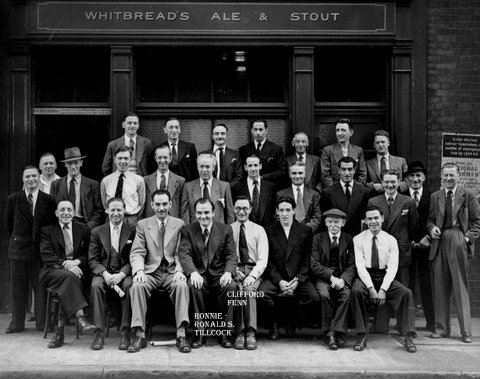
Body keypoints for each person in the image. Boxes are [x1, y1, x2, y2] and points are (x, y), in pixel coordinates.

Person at [129, 190, 190, 353]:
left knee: (182, 285)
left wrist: (179, 270)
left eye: (164, 204)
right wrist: (139, 271)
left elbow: (181, 251)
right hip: (150, 272)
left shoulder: (179, 224)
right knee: (137, 286)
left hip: (171, 271)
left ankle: (181, 334)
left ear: (170, 204)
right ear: (152, 205)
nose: (161, 208)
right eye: (158, 204)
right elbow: (137, 252)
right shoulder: (143, 224)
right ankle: (139, 334)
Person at [350, 206, 417, 353]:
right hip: (365, 276)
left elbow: (393, 267)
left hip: (384, 275)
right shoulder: (358, 239)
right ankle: (361, 335)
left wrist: (383, 289)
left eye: (376, 218)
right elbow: (360, 266)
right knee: (356, 291)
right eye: (370, 219)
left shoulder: (390, 240)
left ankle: (408, 336)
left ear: (382, 219)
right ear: (365, 221)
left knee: (406, 293)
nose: (373, 221)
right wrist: (371, 288)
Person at [428, 162, 480, 343]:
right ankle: (442, 329)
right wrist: (432, 228)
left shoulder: (468, 195)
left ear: (458, 176)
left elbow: (477, 222)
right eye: (445, 176)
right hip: (440, 241)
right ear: (441, 177)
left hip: (458, 239)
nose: (448, 179)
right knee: (440, 285)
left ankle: (466, 331)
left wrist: (466, 239)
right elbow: (430, 220)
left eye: (452, 175)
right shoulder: (436, 196)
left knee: (460, 286)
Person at [178, 198, 238, 349]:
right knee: (193, 285)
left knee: (231, 287)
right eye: (199, 213)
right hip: (200, 274)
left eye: (206, 212)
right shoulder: (188, 230)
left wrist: (228, 273)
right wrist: (192, 272)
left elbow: (231, 255)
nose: (203, 216)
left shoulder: (225, 229)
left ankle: (225, 332)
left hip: (219, 274)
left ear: (213, 213)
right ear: (195, 214)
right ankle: (199, 332)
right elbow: (184, 254)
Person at [258, 196, 319, 340]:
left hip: (297, 277)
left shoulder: (305, 230)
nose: (284, 214)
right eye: (281, 210)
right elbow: (268, 260)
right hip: (277, 277)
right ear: (277, 212)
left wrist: (298, 280)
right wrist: (279, 281)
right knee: (261, 295)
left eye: (288, 210)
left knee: (314, 298)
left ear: (294, 211)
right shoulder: (269, 230)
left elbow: (306, 260)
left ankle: (293, 320)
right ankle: (274, 324)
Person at [5, 165, 56, 333]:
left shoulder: (48, 200)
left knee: (40, 288)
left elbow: (50, 226)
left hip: (38, 253)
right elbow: (9, 226)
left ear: (38, 177)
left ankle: (42, 324)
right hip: (18, 252)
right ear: (23, 179)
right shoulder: (14, 198)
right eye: (27, 177)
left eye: (34, 176)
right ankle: (16, 324)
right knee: (18, 290)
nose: (31, 179)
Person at [39, 200, 95, 348]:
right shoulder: (47, 230)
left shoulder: (82, 229)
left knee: (69, 281)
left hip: (75, 272)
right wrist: (66, 264)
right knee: (69, 277)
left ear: (74, 212)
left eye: (69, 209)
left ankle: (59, 331)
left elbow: (89, 254)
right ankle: (81, 317)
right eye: (62, 210)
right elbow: (47, 256)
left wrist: (76, 262)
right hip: (53, 272)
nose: (66, 213)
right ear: (57, 213)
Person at [88, 197, 135, 351]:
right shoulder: (97, 231)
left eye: (119, 210)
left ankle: (125, 332)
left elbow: (135, 257)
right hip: (104, 274)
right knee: (95, 286)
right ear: (107, 210)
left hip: (124, 273)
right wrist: (105, 274)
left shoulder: (132, 230)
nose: (115, 213)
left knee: (129, 285)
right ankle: (99, 333)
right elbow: (93, 260)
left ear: (124, 210)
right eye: (112, 210)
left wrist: (122, 274)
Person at [310, 209, 356, 350]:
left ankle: (335, 332)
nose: (333, 225)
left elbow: (352, 265)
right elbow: (314, 264)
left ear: (343, 223)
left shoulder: (349, 239)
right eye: (330, 222)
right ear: (325, 222)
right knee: (324, 294)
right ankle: (330, 332)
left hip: (342, 278)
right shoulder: (318, 238)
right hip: (324, 278)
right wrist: (331, 277)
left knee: (346, 295)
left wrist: (342, 280)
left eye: (336, 222)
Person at [367, 169, 419, 285]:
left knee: (402, 285)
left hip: (401, 250)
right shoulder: (373, 202)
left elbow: (414, 227)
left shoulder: (408, 202)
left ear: (399, 181)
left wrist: (406, 243)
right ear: (382, 182)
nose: (390, 185)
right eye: (386, 182)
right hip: (381, 250)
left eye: (393, 182)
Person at [231, 196, 269, 350]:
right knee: (236, 291)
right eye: (238, 208)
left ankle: (251, 332)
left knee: (248, 290)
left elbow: (263, 258)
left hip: (254, 269)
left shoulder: (259, 230)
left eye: (245, 208)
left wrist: (253, 276)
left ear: (250, 209)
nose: (241, 212)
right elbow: (224, 255)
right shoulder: (228, 229)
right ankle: (239, 332)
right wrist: (233, 269)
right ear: (234, 209)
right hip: (235, 269)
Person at [401, 161, 435, 331]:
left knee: (426, 285)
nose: (415, 179)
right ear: (406, 179)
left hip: (426, 248)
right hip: (407, 248)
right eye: (412, 176)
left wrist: (428, 237)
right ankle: (406, 324)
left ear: (424, 177)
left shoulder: (433, 197)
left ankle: (431, 322)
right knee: (407, 285)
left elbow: (436, 221)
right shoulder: (401, 194)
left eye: (418, 175)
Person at [51, 147, 104, 230]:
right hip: (63, 225)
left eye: (76, 163)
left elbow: (98, 211)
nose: (73, 166)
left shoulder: (93, 184)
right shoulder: (56, 184)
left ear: (81, 163)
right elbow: (52, 209)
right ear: (65, 164)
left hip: (84, 224)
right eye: (69, 163)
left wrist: (88, 227)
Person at [320, 157, 371, 237]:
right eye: (344, 169)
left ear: (354, 170)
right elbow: (325, 220)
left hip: (357, 236)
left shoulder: (365, 192)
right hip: (337, 236)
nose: (347, 173)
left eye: (350, 169)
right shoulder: (328, 192)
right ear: (339, 171)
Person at [100, 145, 146, 227]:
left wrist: (134, 220)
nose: (123, 161)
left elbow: (142, 204)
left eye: (126, 158)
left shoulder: (138, 180)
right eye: (120, 158)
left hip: (130, 219)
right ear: (115, 159)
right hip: (111, 219)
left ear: (131, 159)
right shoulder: (106, 181)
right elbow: (104, 203)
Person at [183, 153, 234, 224]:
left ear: (213, 167)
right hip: (195, 231)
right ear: (197, 167)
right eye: (201, 166)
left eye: (207, 167)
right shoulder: (188, 187)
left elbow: (230, 215)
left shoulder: (224, 186)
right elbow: (185, 214)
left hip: (218, 232)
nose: (204, 170)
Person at [239, 119, 287, 188]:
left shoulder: (276, 149)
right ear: (252, 131)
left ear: (266, 130)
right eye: (255, 130)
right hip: (249, 187)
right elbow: (242, 172)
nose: (258, 133)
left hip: (270, 186)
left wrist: (263, 177)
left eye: (261, 129)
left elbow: (282, 171)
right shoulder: (244, 149)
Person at [102, 112, 153, 177]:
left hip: (140, 182)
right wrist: (115, 180)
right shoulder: (113, 145)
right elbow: (105, 168)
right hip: (121, 182)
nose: (132, 126)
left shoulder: (147, 143)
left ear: (138, 125)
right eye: (129, 123)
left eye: (135, 123)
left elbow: (152, 166)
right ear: (123, 125)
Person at [143, 146, 188, 220]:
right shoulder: (145, 180)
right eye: (159, 157)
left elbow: (184, 208)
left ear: (170, 158)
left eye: (165, 157)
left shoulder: (180, 181)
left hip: (173, 224)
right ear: (155, 158)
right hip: (150, 224)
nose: (163, 160)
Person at [232, 155, 276, 228]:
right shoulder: (237, 188)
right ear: (245, 167)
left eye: (255, 165)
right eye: (250, 165)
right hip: (246, 230)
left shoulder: (271, 187)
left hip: (267, 231)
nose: (253, 169)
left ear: (260, 166)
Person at [277, 162, 322, 233]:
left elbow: (316, 217)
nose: (297, 176)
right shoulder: (281, 194)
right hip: (289, 234)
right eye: (294, 173)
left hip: (308, 234)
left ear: (304, 174)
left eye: (300, 173)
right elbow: (278, 216)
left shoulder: (314, 194)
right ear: (290, 175)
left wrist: (305, 230)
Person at [320, 118, 366, 187]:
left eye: (343, 130)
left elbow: (363, 173)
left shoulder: (358, 150)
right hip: (334, 191)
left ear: (351, 132)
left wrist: (354, 189)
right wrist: (336, 191)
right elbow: (325, 174)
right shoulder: (327, 150)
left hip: (354, 191)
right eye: (337, 130)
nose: (339, 133)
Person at [201, 123, 242, 188]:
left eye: (222, 133)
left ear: (226, 136)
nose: (220, 136)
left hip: (230, 191)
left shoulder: (235, 154)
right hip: (210, 191)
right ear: (212, 136)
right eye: (217, 134)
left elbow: (238, 176)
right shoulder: (203, 155)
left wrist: (226, 189)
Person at [158, 117, 198, 182]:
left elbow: (195, 171)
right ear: (165, 130)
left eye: (176, 127)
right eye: (171, 127)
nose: (174, 130)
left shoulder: (190, 147)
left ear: (180, 130)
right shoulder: (159, 149)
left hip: (186, 185)